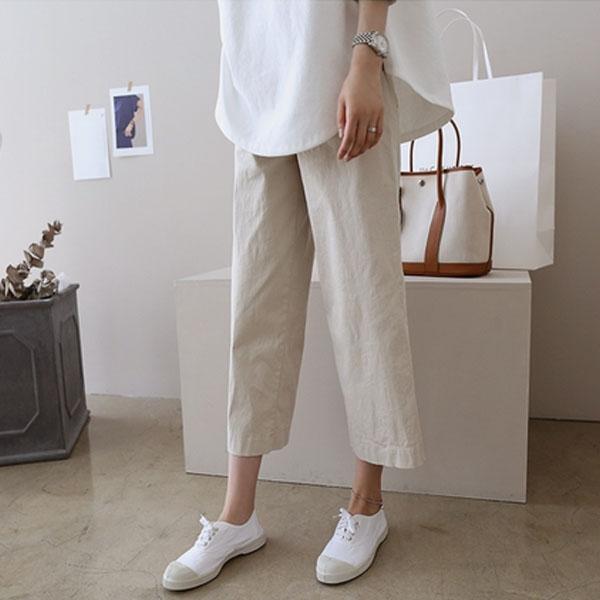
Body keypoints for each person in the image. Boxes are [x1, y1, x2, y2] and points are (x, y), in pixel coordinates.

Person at [162, 0, 454, 591]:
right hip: (259, 88)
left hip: (341, 69)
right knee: (255, 309)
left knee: (363, 301)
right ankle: (237, 515)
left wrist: (367, 57)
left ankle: (367, 506)